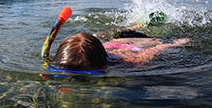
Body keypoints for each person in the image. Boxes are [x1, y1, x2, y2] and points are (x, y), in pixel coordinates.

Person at [53, 32, 189, 71]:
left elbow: (156, 49)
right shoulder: (65, 59)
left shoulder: (131, 61)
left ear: (104, 65)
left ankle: (138, 26)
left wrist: (176, 43)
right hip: (109, 44)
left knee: (153, 40)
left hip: (134, 42)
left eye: (91, 71)